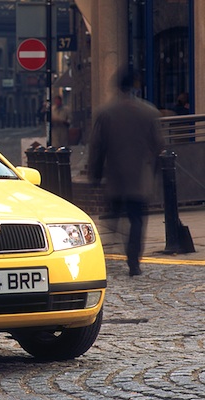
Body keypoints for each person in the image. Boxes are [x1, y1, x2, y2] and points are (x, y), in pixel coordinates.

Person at [88, 67, 165, 277]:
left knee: (113, 217)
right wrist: (156, 172)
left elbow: (97, 147)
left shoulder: (105, 113)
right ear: (135, 86)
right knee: (136, 220)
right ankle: (133, 261)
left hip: (116, 177)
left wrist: (95, 174)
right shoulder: (149, 112)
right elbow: (159, 146)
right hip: (140, 177)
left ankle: (106, 255)